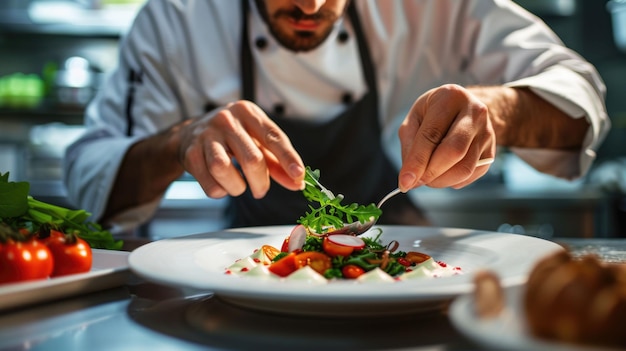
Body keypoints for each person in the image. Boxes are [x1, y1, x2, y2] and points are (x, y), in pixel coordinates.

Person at [63, 0, 610, 234]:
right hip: (242, 285)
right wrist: (178, 141)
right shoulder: (178, 18)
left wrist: (498, 109)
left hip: (395, 280)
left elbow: (580, 95)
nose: (310, 5)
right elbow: (91, 175)